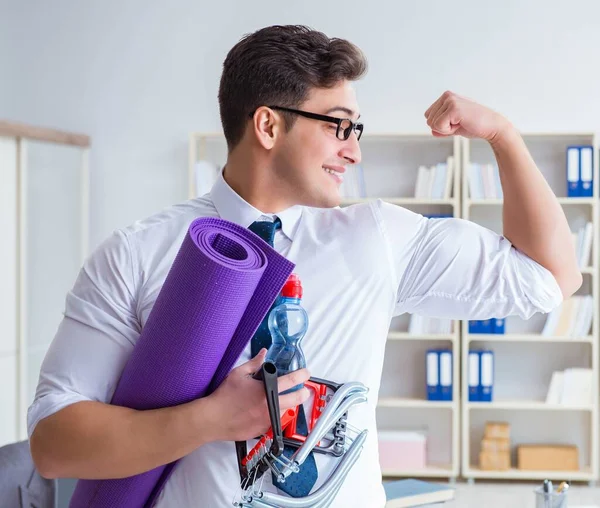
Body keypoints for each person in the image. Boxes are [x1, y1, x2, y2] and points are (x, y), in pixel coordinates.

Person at [28, 24, 581, 508]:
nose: (354, 151)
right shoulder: (137, 254)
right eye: (339, 125)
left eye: (355, 130)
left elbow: (550, 278)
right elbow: (53, 445)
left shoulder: (378, 237)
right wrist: (211, 420)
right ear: (268, 127)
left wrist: (502, 136)